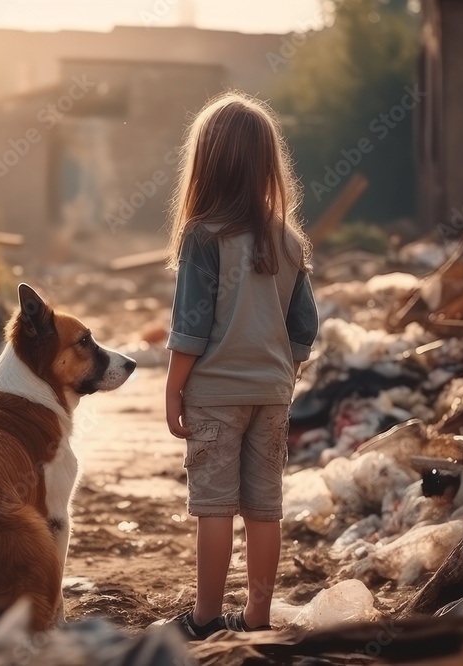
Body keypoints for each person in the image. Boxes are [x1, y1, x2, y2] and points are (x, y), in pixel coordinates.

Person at [161, 91, 318, 639]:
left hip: (214, 394)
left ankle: (205, 619)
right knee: (263, 509)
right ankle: (257, 617)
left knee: (214, 509)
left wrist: (174, 390)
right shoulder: (290, 241)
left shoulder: (203, 236)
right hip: (271, 395)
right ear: (267, 164)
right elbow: (304, 329)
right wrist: (282, 372)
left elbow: (191, 327)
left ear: (206, 164)